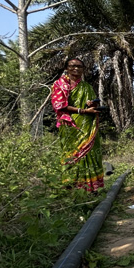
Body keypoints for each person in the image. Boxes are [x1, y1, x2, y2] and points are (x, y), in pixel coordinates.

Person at [50, 57, 104, 192]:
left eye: (79, 66)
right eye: (72, 66)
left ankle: (91, 188)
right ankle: (71, 187)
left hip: (87, 125)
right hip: (70, 125)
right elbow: (59, 105)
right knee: (72, 154)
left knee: (90, 153)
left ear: (83, 69)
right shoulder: (59, 84)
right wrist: (82, 110)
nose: (76, 68)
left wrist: (91, 104)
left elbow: (92, 105)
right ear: (66, 68)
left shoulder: (86, 87)